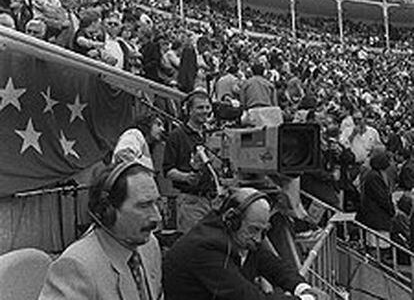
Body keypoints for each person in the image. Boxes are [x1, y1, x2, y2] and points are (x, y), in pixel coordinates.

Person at [163, 187, 327, 300]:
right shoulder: (205, 248)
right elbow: (246, 297)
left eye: (263, 231)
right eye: (254, 229)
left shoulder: (241, 236)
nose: (257, 238)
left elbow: (274, 266)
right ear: (231, 220)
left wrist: (302, 287)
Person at [38, 161, 163, 300]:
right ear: (108, 211)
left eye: (156, 203)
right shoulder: (77, 266)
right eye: (144, 206)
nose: (157, 217)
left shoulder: (149, 246)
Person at [163, 89, 215, 233]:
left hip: (214, 201)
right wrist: (186, 177)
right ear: (189, 110)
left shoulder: (212, 134)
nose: (204, 111)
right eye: (200, 107)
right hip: (191, 202)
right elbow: (167, 171)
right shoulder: (177, 136)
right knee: (195, 245)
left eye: (207, 107)